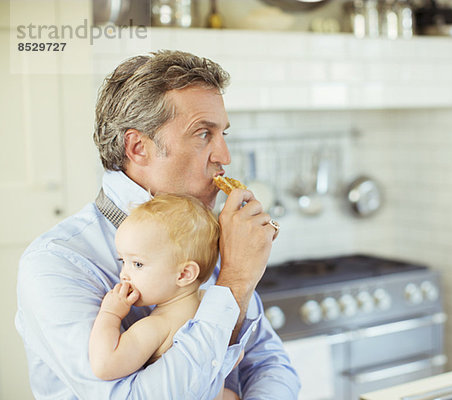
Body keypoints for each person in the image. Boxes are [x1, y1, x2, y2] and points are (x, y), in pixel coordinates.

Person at [15, 50, 299, 399]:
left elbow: (269, 362)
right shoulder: (56, 263)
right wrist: (235, 283)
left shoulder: (210, 234)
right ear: (138, 147)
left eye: (222, 133)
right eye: (202, 134)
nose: (224, 156)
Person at [89, 193, 240, 400]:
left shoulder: (156, 326)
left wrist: (110, 314)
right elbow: (236, 354)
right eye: (122, 260)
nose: (124, 273)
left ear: (184, 274)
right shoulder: (210, 306)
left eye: (138, 264)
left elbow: (104, 366)